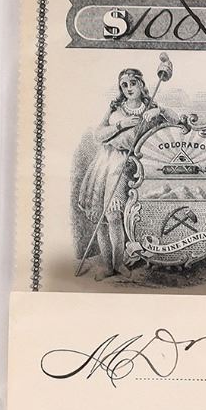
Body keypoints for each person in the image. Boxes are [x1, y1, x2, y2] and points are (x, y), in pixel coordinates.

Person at [75, 68, 173, 279]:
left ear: (141, 84)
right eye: (124, 85)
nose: (128, 88)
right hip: (104, 162)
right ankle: (107, 265)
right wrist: (121, 124)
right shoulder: (116, 108)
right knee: (100, 218)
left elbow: (176, 122)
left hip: (124, 164)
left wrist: (159, 111)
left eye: (132, 83)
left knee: (113, 214)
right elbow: (98, 135)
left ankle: (117, 265)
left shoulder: (150, 108)